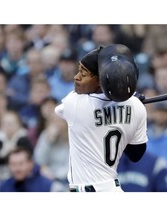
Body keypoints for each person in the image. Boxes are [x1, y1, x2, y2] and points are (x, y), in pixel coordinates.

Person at [54, 44, 148, 192]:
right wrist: (127, 100)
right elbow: (136, 154)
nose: (76, 77)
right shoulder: (137, 107)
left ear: (101, 80)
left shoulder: (74, 103)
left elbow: (59, 110)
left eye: (83, 74)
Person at [0, 147, 64, 192]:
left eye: (21, 164)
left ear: (31, 163)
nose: (17, 168)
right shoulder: (0, 187)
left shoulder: (50, 187)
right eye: (13, 164)